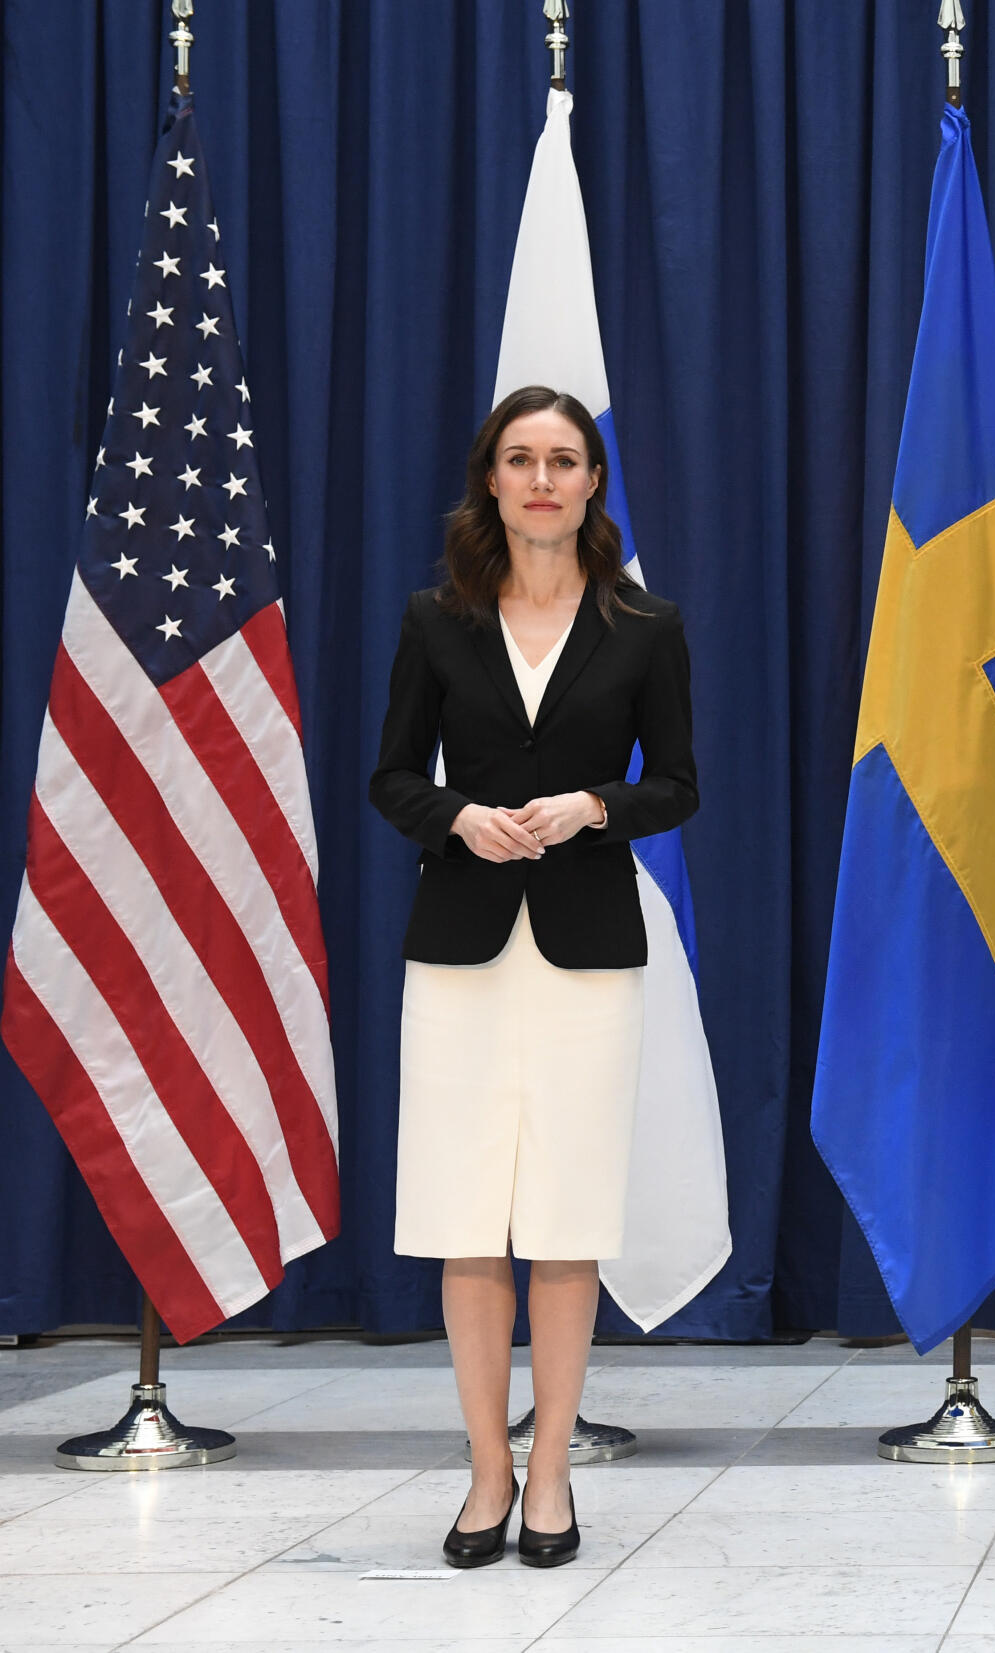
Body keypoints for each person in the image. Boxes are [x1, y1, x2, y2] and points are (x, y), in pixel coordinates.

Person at [370, 384, 697, 1570]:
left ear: (594, 482)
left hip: (584, 956)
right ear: (491, 481)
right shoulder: (434, 619)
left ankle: (551, 1475)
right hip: (458, 953)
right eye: (522, 460)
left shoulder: (644, 625)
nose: (544, 479)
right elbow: (392, 776)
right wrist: (457, 817)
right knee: (467, 1223)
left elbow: (679, 784)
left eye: (565, 459)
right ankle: (484, 1476)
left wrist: (594, 805)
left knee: (563, 1226)